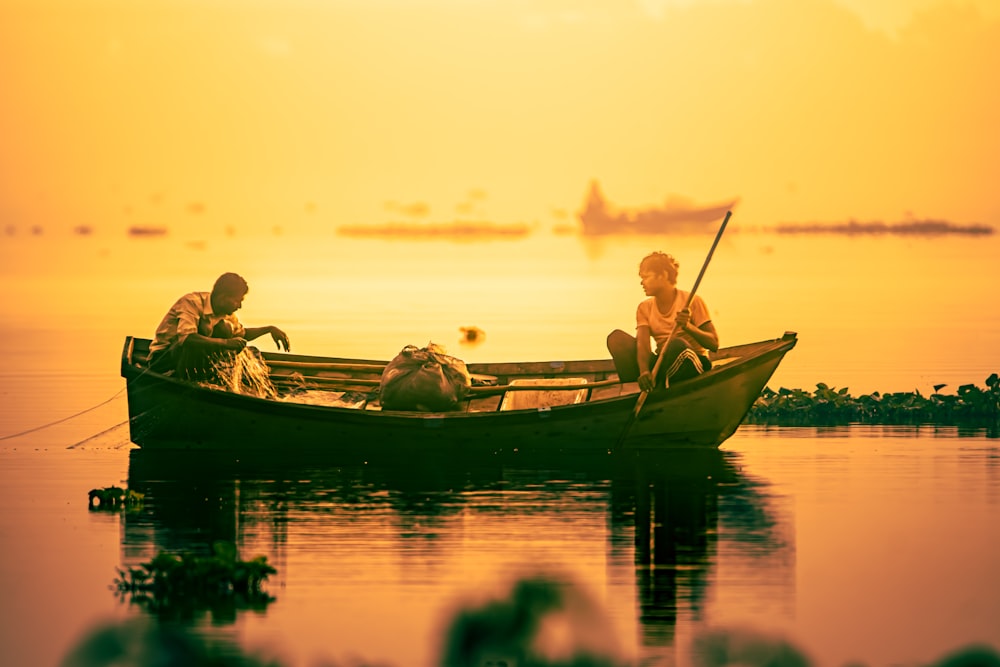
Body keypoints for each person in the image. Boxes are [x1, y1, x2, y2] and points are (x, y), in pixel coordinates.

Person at [146, 272, 290, 380]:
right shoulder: (192, 302)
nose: (239, 306)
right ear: (222, 298)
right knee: (203, 333)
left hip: (193, 361)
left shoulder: (226, 314)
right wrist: (225, 343)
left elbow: (242, 334)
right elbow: (187, 339)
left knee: (226, 329)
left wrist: (269, 329)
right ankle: (188, 381)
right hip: (164, 360)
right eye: (237, 301)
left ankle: (205, 379)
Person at [607, 251, 718, 391]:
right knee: (616, 338)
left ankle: (661, 386)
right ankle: (639, 388)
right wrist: (644, 371)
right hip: (663, 363)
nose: (642, 282)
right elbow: (643, 346)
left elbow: (713, 344)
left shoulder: (692, 301)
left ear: (663, 275)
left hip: (692, 362)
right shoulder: (644, 307)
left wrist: (688, 326)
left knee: (676, 345)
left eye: (646, 277)